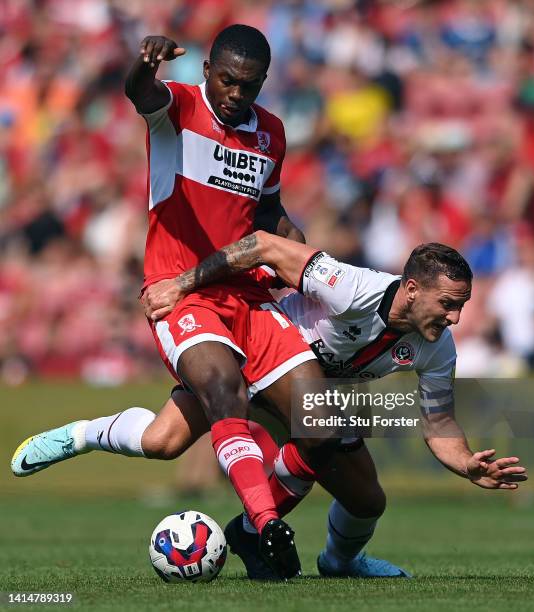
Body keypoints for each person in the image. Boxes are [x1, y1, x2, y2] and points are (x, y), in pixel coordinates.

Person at [11, 24, 346, 580]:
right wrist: (147, 64)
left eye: (251, 84)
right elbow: (139, 91)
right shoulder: (179, 107)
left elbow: (267, 213)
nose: (237, 93)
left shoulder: (272, 134)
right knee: (223, 390)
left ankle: (87, 434)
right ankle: (264, 526)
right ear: (208, 69)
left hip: (249, 298)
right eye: (228, 80)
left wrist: (305, 255)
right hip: (179, 289)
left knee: (311, 427)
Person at [12, 237, 527, 580]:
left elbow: (437, 422)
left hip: (309, 402)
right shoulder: (351, 288)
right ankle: (80, 434)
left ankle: (338, 562)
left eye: (461, 305)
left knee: (368, 501)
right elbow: (263, 246)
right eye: (449, 304)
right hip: (256, 357)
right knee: (162, 443)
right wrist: (185, 282)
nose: (457, 317)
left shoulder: (438, 347)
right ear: (412, 289)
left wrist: (466, 465)